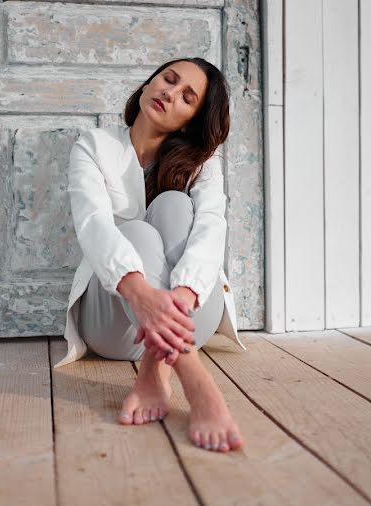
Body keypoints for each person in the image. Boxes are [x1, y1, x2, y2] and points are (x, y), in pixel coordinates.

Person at [57, 58, 246, 453]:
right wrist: (143, 297)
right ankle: (195, 378)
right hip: (115, 326)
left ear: (189, 121)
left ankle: (154, 372)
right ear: (147, 84)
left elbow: (213, 228)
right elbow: (93, 224)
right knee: (135, 231)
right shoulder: (94, 145)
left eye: (186, 97)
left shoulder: (203, 163)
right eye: (168, 79)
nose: (169, 92)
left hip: (192, 313)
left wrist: (183, 296)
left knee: (175, 205)